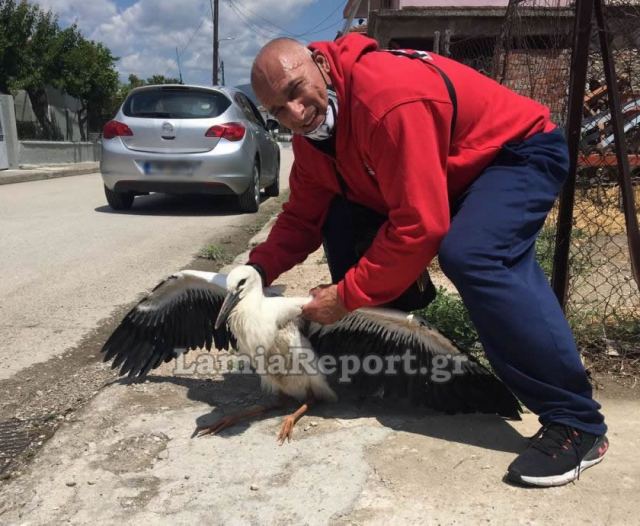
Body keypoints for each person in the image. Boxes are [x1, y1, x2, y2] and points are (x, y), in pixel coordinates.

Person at [247, 33, 608, 487]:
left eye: (297, 91)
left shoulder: (386, 99)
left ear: (319, 63)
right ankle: (392, 360)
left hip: (513, 154)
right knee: (336, 215)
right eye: (279, 109)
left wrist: (347, 296)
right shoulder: (315, 142)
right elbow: (302, 216)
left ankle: (577, 422)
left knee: (474, 253)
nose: (296, 114)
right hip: (450, 170)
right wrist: (255, 270)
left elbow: (422, 225)